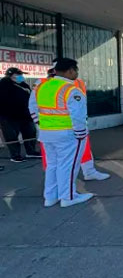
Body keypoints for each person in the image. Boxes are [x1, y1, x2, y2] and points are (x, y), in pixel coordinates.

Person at [29, 58, 94, 207]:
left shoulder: (42, 86)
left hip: (46, 133)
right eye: (76, 70)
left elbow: (32, 107)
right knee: (68, 166)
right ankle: (68, 197)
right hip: (67, 134)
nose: (76, 73)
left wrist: (40, 124)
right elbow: (78, 116)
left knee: (52, 165)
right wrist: (81, 134)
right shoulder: (71, 89)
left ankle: (50, 197)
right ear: (70, 70)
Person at [0, 67, 41, 162]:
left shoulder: (24, 85)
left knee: (31, 133)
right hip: (9, 117)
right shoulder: (3, 85)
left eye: (21, 75)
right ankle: (15, 155)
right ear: (11, 76)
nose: (21, 76)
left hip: (25, 115)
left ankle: (31, 151)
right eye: (18, 75)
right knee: (12, 137)